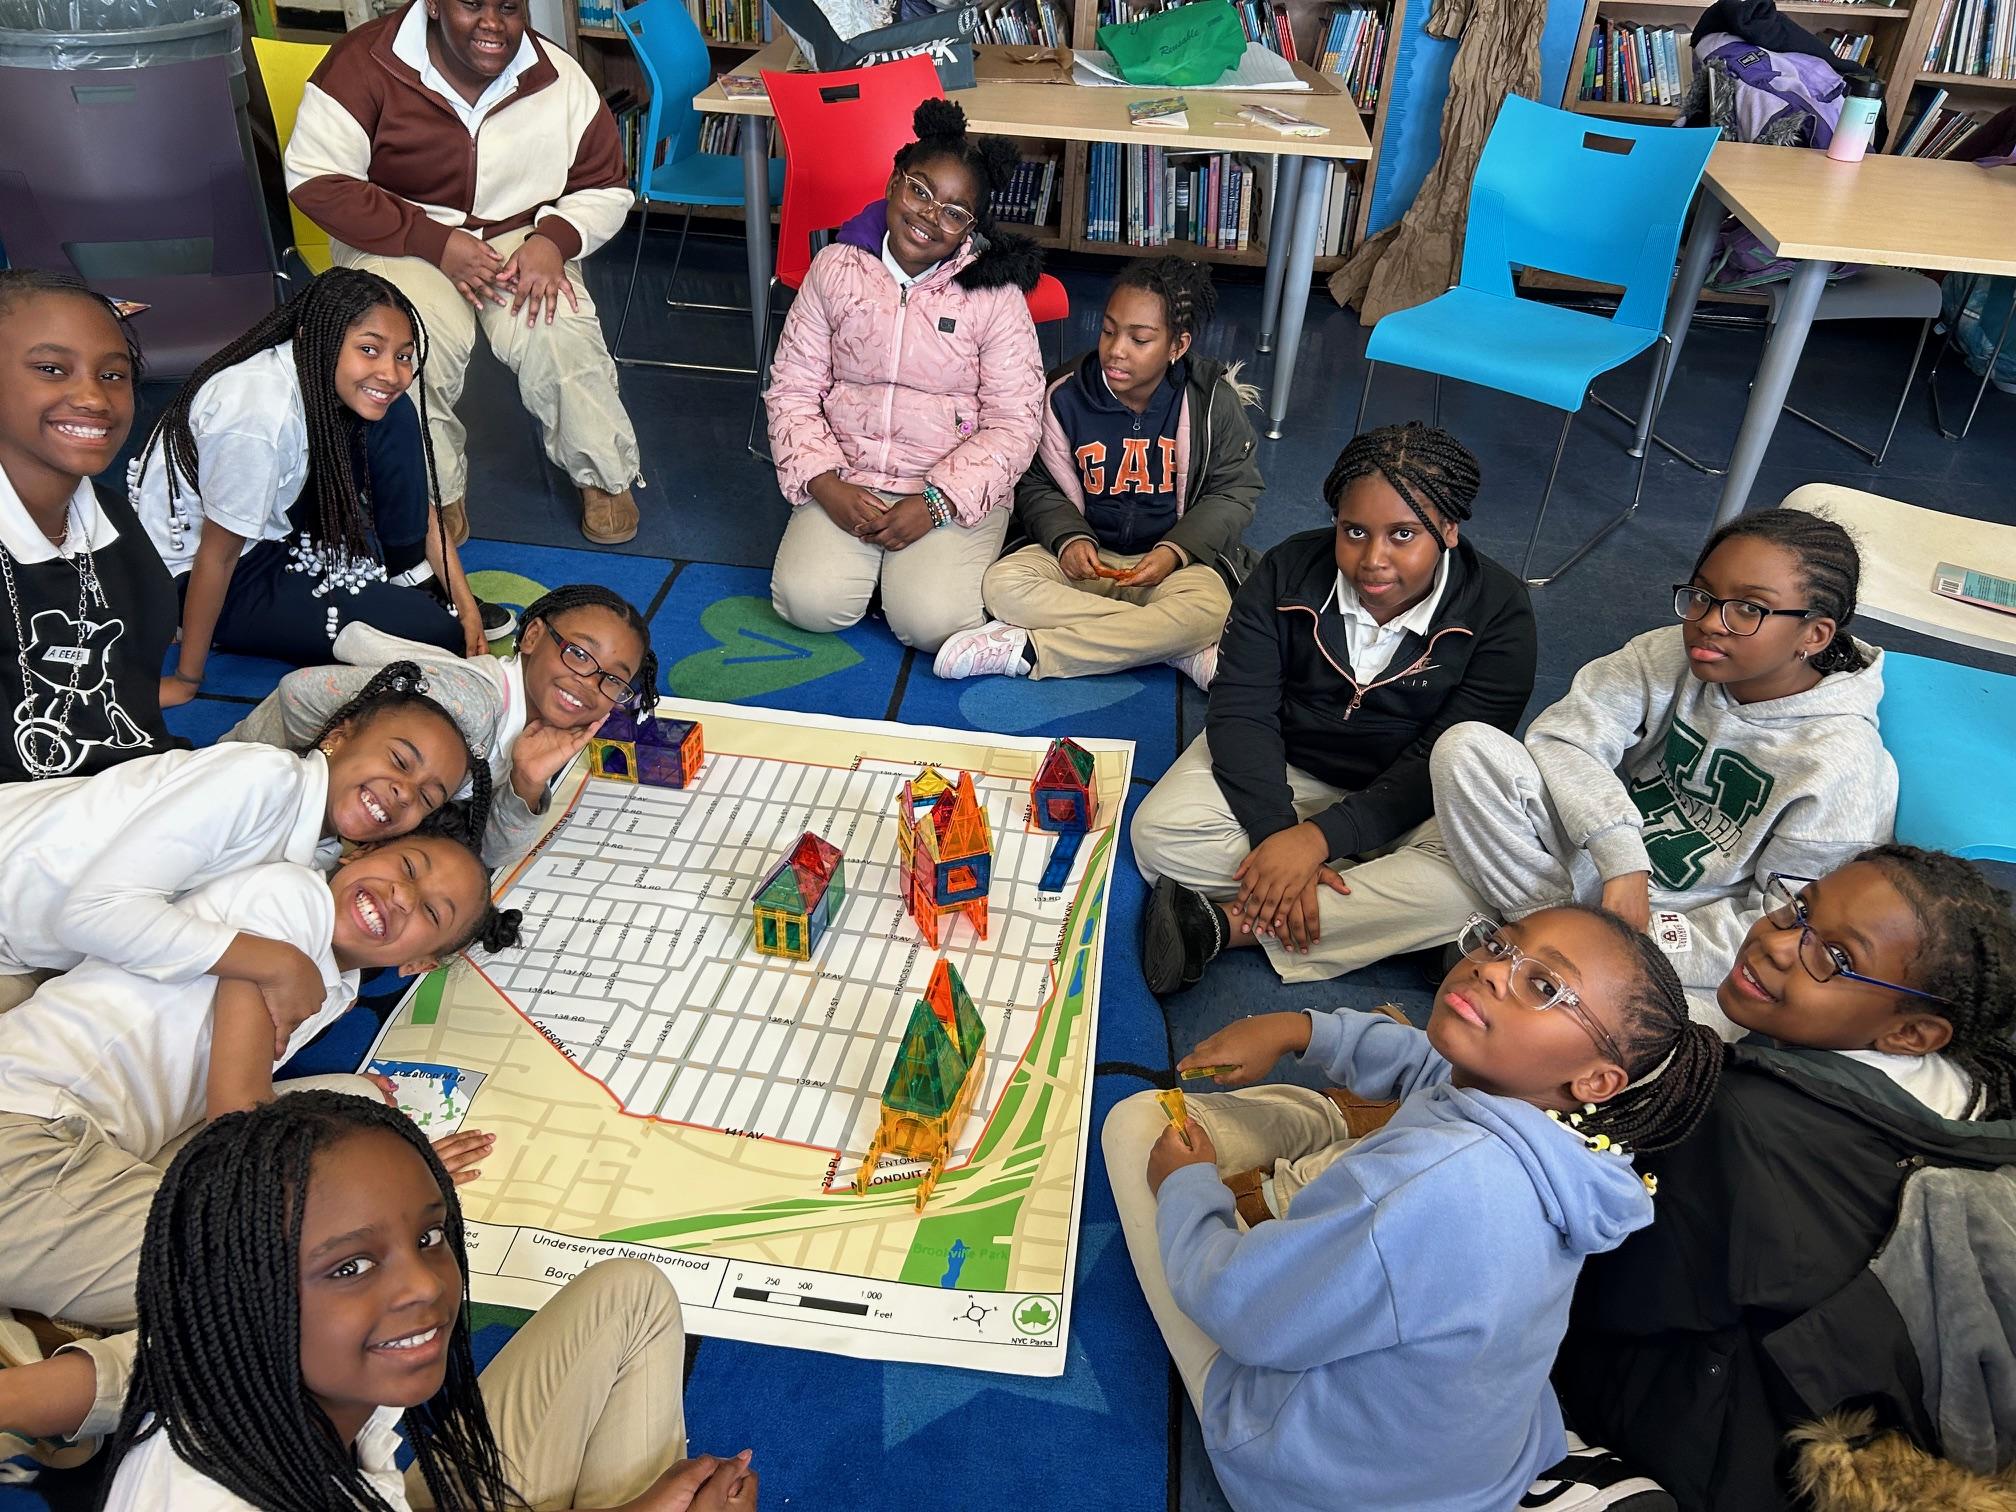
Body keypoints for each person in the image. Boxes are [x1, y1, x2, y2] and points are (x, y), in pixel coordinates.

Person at [1103, 904, 1725, 1512]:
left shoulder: (1427, 1189)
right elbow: (1427, 1061)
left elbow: (1236, 1306)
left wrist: (1188, 1188)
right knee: (1396, 1121)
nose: (1491, 969)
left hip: (1312, 1481)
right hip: (1470, 1459)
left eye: (1544, 985)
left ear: (1596, 1080)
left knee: (1134, 1126)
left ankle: (1322, 1143)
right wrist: (1300, 1029)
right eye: (1502, 944)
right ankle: (1345, 1130)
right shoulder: (1573, 1139)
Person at [1557, 847, 2016, 1511]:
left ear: (1912, 1032)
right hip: (1863, 1428)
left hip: (1726, 1453)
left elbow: (1616, 1297)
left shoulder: (1740, 1121)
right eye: (1799, 909)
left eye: (1836, 959)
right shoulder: (1980, 1096)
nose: (1778, 944)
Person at [91, 1094, 755, 1510]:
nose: (428, 1285)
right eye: (349, 1265)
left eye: (430, 1235)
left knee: (630, 1296)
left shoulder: (244, 1379)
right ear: (240, 1295)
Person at [0, 834, 520, 1357]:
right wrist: (387, 1192)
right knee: (288, 1289)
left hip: (99, 1133)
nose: (403, 895)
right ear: (357, 853)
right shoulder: (288, 896)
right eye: (408, 866)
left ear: (421, 963)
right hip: (26, 1132)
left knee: (358, 1108)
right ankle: (57, 1378)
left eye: (431, 911)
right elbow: (238, 1115)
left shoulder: (338, 985)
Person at [1429, 508, 1896, 1030]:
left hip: (1682, 942)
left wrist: (1637, 948)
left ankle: (1537, 956)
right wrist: (1622, 858)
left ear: (1814, 634)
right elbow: (1564, 738)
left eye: (1749, 609)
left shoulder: (1843, 765)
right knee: (1466, 749)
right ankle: (1546, 935)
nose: (1709, 622)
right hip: (1603, 877)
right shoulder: (1671, 652)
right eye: (1701, 595)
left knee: (1683, 1035)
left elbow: (1787, 926)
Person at [1132, 422, 1536, 994]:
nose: (1373, 559)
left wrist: (1317, 841)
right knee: (1159, 836)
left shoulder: (1500, 611)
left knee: (1473, 885)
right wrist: (1279, 833)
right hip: (1287, 769)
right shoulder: (1285, 571)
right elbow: (1242, 712)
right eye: (1354, 531)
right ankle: (1382, 913)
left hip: (1412, 798)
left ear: (1448, 529)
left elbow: (1445, 759)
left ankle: (1229, 925)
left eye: (1403, 535)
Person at [286, 0, 643, 546]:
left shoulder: (558, 76)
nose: (493, 23)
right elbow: (317, 179)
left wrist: (554, 240)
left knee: (559, 331)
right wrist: (433, 240)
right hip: (401, 233)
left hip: (520, 233)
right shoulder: (362, 64)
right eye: (471, 3)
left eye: (509, 7)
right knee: (405, 347)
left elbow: (605, 186)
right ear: (433, 4)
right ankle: (432, 492)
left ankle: (605, 477)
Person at [0, 661, 480, 1016]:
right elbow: (91, 915)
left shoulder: (320, 856)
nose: (403, 792)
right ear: (338, 735)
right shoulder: (259, 778)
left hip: (37, 949)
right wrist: (279, 964)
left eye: (426, 798)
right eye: (399, 760)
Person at [133, 269, 499, 695]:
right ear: (313, 338)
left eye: (403, 355)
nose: (392, 373)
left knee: (391, 412)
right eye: (369, 349)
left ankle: (408, 574)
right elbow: (219, 555)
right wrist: (186, 678)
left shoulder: (324, 380)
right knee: (436, 632)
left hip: (272, 529)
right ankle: (195, 621)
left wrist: (466, 603)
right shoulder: (256, 419)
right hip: (201, 569)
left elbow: (423, 504)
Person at [766, 99, 1045, 654]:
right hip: (850, 477)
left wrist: (938, 503)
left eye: (954, 211)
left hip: (945, 487)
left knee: (933, 625)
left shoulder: (994, 295)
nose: (928, 216)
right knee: (806, 604)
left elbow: (1016, 422)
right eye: (920, 190)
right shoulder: (835, 269)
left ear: (971, 227)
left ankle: (908, 574)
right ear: (894, 183)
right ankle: (878, 572)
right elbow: (793, 388)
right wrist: (825, 484)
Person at [934, 255, 1260, 690]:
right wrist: (1068, 537)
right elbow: (1034, 481)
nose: (1116, 350)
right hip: (1078, 565)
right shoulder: (1063, 395)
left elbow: (1234, 491)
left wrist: (1176, 551)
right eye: (1108, 330)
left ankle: (1031, 651)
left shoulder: (1211, 402)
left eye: (1139, 339)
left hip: (1171, 565)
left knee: (1212, 607)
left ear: (1177, 346)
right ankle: (1174, 646)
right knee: (1002, 584)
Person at [223, 584, 658, 865]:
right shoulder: (464, 704)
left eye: (612, 678)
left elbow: (491, 852)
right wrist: (328, 756)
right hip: (254, 805)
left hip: (315, 833)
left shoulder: (528, 728)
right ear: (531, 637)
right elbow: (298, 693)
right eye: (579, 654)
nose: (588, 681)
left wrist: (526, 782)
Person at [0, 269, 177, 783]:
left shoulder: (114, 524)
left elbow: (137, 715)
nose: (94, 399)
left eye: (113, 375)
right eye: (52, 369)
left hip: (118, 792)